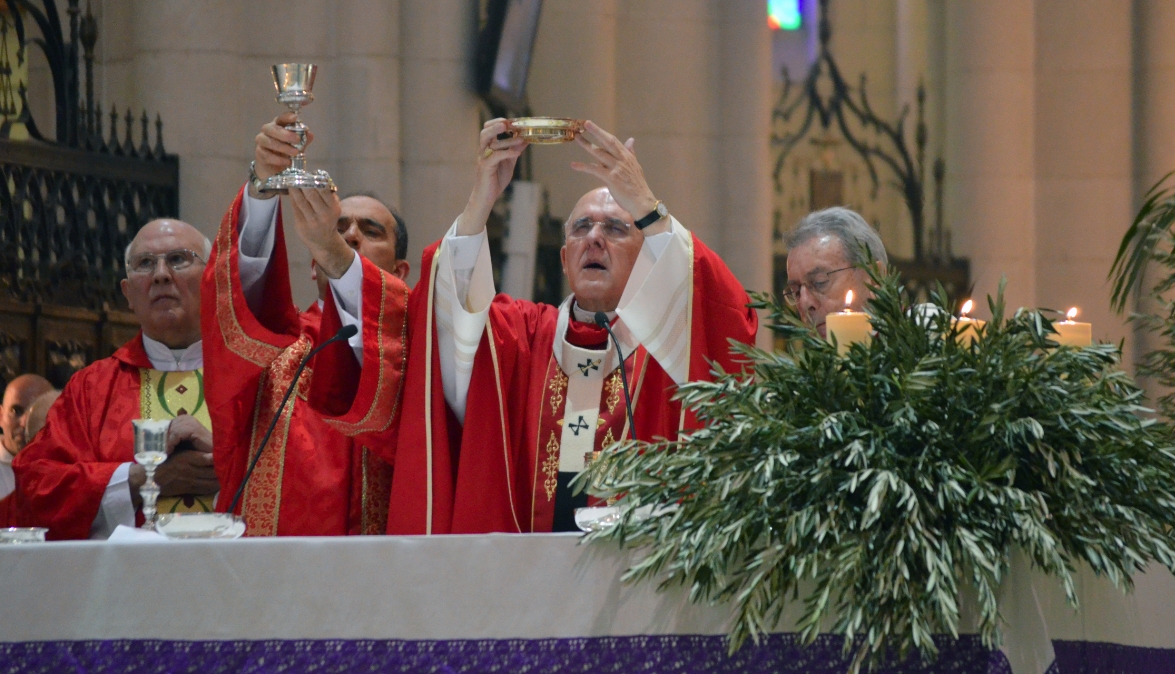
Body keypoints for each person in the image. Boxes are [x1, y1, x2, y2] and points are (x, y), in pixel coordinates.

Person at [308, 118, 759, 534]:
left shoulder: (670, 348)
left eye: (617, 229)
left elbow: (728, 322)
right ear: (564, 259)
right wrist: (482, 197)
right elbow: (438, 318)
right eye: (581, 227)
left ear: (649, 258)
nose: (595, 238)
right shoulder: (521, 337)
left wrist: (644, 202)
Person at [202, 113, 409, 536]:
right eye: (336, 230)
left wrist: (339, 257)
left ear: (401, 271)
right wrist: (262, 188)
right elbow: (235, 312)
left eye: (370, 231)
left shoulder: (417, 349)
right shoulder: (275, 341)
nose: (349, 237)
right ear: (313, 262)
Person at [14, 220, 218, 539]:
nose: (161, 274)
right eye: (145, 263)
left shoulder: (253, 378)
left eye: (179, 259)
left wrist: (226, 462)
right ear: (128, 294)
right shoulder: (91, 390)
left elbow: (302, 473)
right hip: (125, 581)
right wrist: (141, 478)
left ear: (213, 280)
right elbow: (36, 485)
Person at [783, 206, 888, 337]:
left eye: (819, 283)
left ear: (874, 278)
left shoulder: (917, 348)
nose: (804, 303)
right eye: (796, 292)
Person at [0, 374, 53, 525]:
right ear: (0, 416)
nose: (24, 422)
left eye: (36, 412)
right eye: (16, 411)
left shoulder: (67, 464)